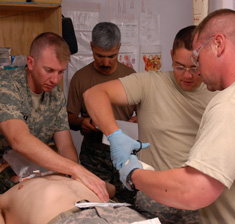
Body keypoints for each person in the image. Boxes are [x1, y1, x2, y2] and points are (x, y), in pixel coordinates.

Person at [88, 9, 235, 223]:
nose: (195, 68)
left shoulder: (234, 103)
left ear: (218, 44)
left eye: (197, 57)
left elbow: (193, 191)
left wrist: (133, 174)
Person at [84, 25, 218, 223]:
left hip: (200, 200)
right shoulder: (150, 84)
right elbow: (93, 95)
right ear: (171, 55)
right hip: (154, 199)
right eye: (179, 66)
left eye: (195, 68)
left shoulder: (218, 92)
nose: (187, 75)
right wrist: (115, 135)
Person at [0, 32, 109, 202]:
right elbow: (18, 139)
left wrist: (72, 176)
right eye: (49, 70)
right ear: (31, 63)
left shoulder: (55, 95)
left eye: (60, 72)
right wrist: (76, 170)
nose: (55, 79)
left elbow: (65, 146)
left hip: (30, 170)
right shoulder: (7, 86)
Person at [67, 22, 137, 204]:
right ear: (91, 46)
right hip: (94, 155)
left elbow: (145, 113)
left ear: (119, 48)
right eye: (99, 56)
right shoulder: (80, 78)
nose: (105, 62)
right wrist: (82, 122)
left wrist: (139, 119)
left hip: (126, 155)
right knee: (95, 203)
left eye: (112, 56)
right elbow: (69, 118)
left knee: (129, 205)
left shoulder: (131, 77)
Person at [0, 163, 148, 224]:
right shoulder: (9, 195)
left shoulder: (71, 174)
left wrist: (84, 177)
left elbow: (110, 189)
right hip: (70, 219)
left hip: (118, 213)